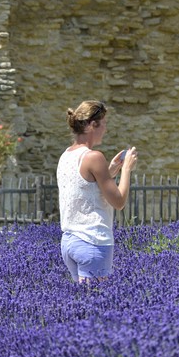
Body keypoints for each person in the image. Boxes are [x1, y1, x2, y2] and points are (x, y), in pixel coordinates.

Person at [57, 100, 138, 282]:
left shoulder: (66, 155)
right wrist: (126, 169)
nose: (105, 129)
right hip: (92, 241)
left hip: (69, 242)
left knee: (79, 298)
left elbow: (86, 187)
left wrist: (110, 171)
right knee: (96, 299)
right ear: (93, 125)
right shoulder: (94, 157)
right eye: (104, 124)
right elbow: (119, 201)